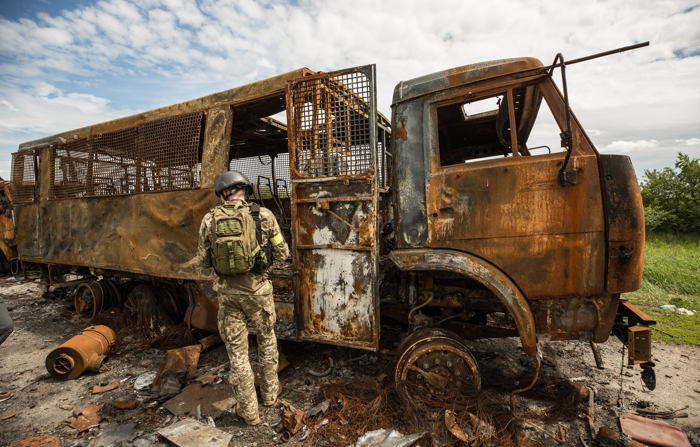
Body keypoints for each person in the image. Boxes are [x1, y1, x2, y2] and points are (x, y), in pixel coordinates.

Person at [196, 171, 289, 426]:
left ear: (223, 194)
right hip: (258, 293)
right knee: (267, 343)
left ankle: (250, 413)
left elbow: (203, 262)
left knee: (238, 355)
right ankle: (270, 396)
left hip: (228, 297)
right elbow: (283, 252)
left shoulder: (209, 219)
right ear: (244, 191)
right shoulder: (263, 215)